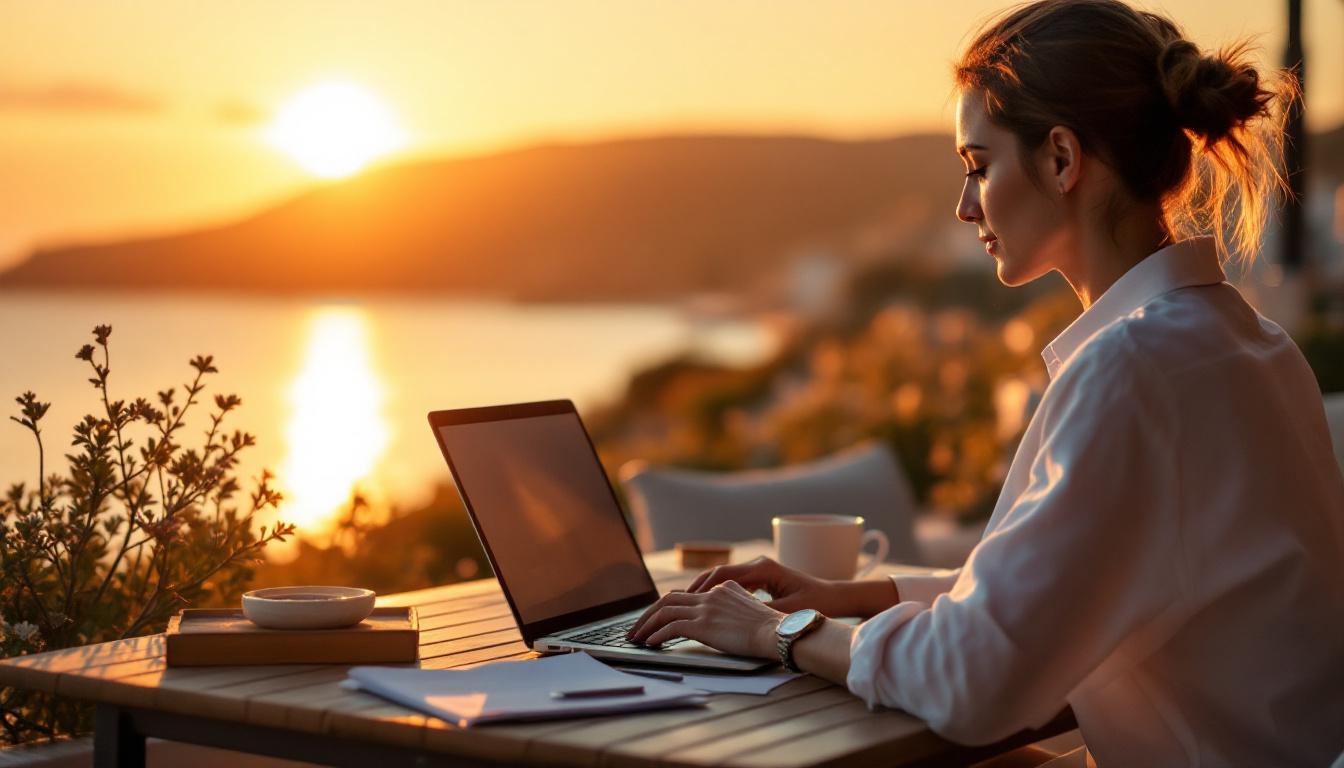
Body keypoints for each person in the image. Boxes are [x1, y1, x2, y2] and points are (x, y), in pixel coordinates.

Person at [625, 0, 1344, 765]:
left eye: (979, 166)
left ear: (1061, 159)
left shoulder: (1135, 371)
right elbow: (1050, 592)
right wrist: (856, 596)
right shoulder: (1247, 345)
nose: (965, 206)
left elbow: (972, 681)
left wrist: (779, 632)